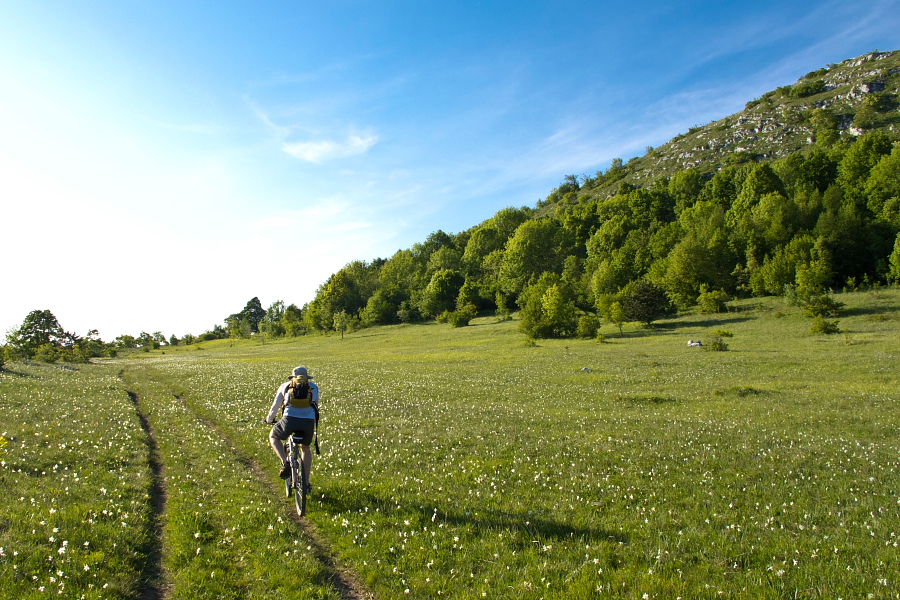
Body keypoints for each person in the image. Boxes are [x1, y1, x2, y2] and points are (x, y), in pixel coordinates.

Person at [265, 365, 319, 490]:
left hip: (289, 420)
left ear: (293, 377)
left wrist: (269, 420)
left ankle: (286, 462)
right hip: (308, 422)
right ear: (307, 377)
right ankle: (305, 483)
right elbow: (316, 405)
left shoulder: (286, 386)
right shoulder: (314, 387)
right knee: (305, 448)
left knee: (273, 436)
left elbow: (276, 406)